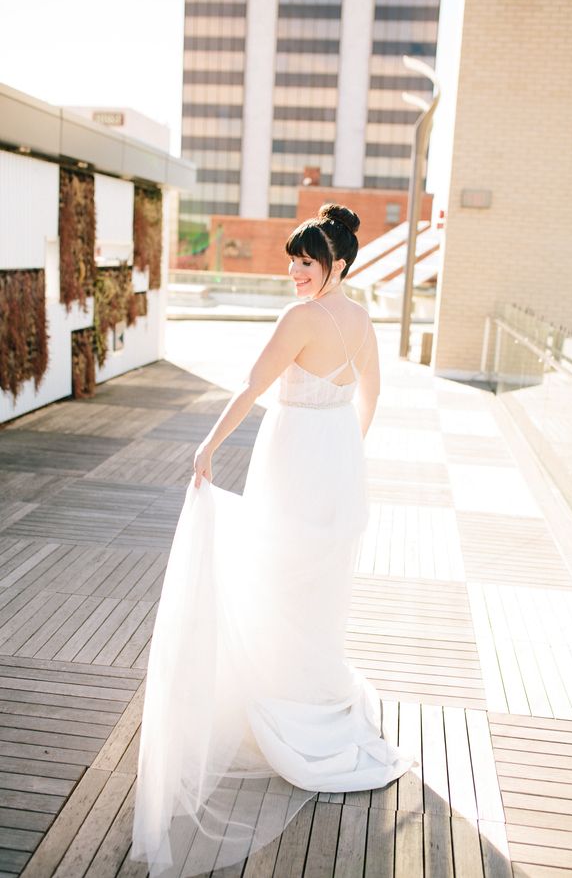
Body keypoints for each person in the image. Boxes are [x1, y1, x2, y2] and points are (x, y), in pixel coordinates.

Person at [130, 204, 418, 877]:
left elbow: (252, 387)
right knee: (314, 586)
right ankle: (311, 688)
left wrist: (207, 445)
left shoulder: (300, 320)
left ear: (336, 264)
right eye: (291, 259)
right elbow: (371, 392)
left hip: (292, 460)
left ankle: (283, 696)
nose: (293, 271)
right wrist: (348, 450)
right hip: (337, 461)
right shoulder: (360, 318)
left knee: (274, 574)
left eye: (305, 262)